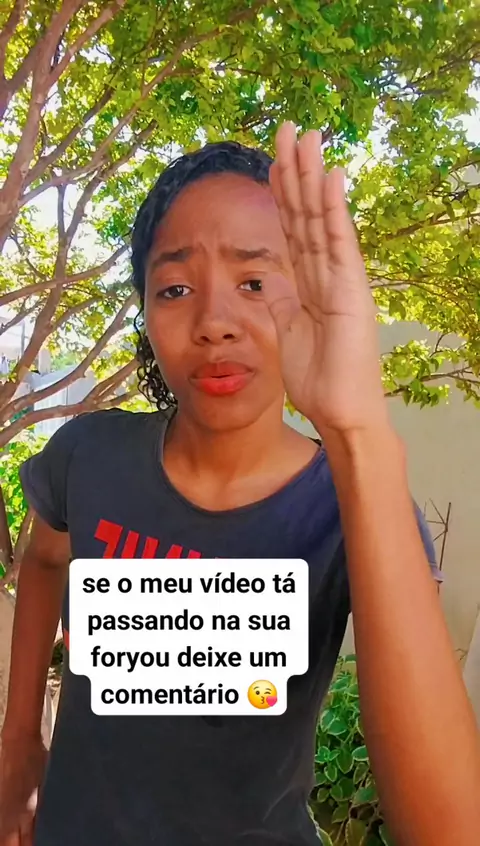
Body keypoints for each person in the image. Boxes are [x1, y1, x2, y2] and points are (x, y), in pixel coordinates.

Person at [1, 123, 479, 846]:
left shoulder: (355, 508)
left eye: (254, 282)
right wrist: (18, 743)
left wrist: (357, 432)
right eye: (176, 288)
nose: (215, 322)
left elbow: (448, 830)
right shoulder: (89, 457)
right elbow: (43, 562)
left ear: (308, 298)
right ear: (145, 314)